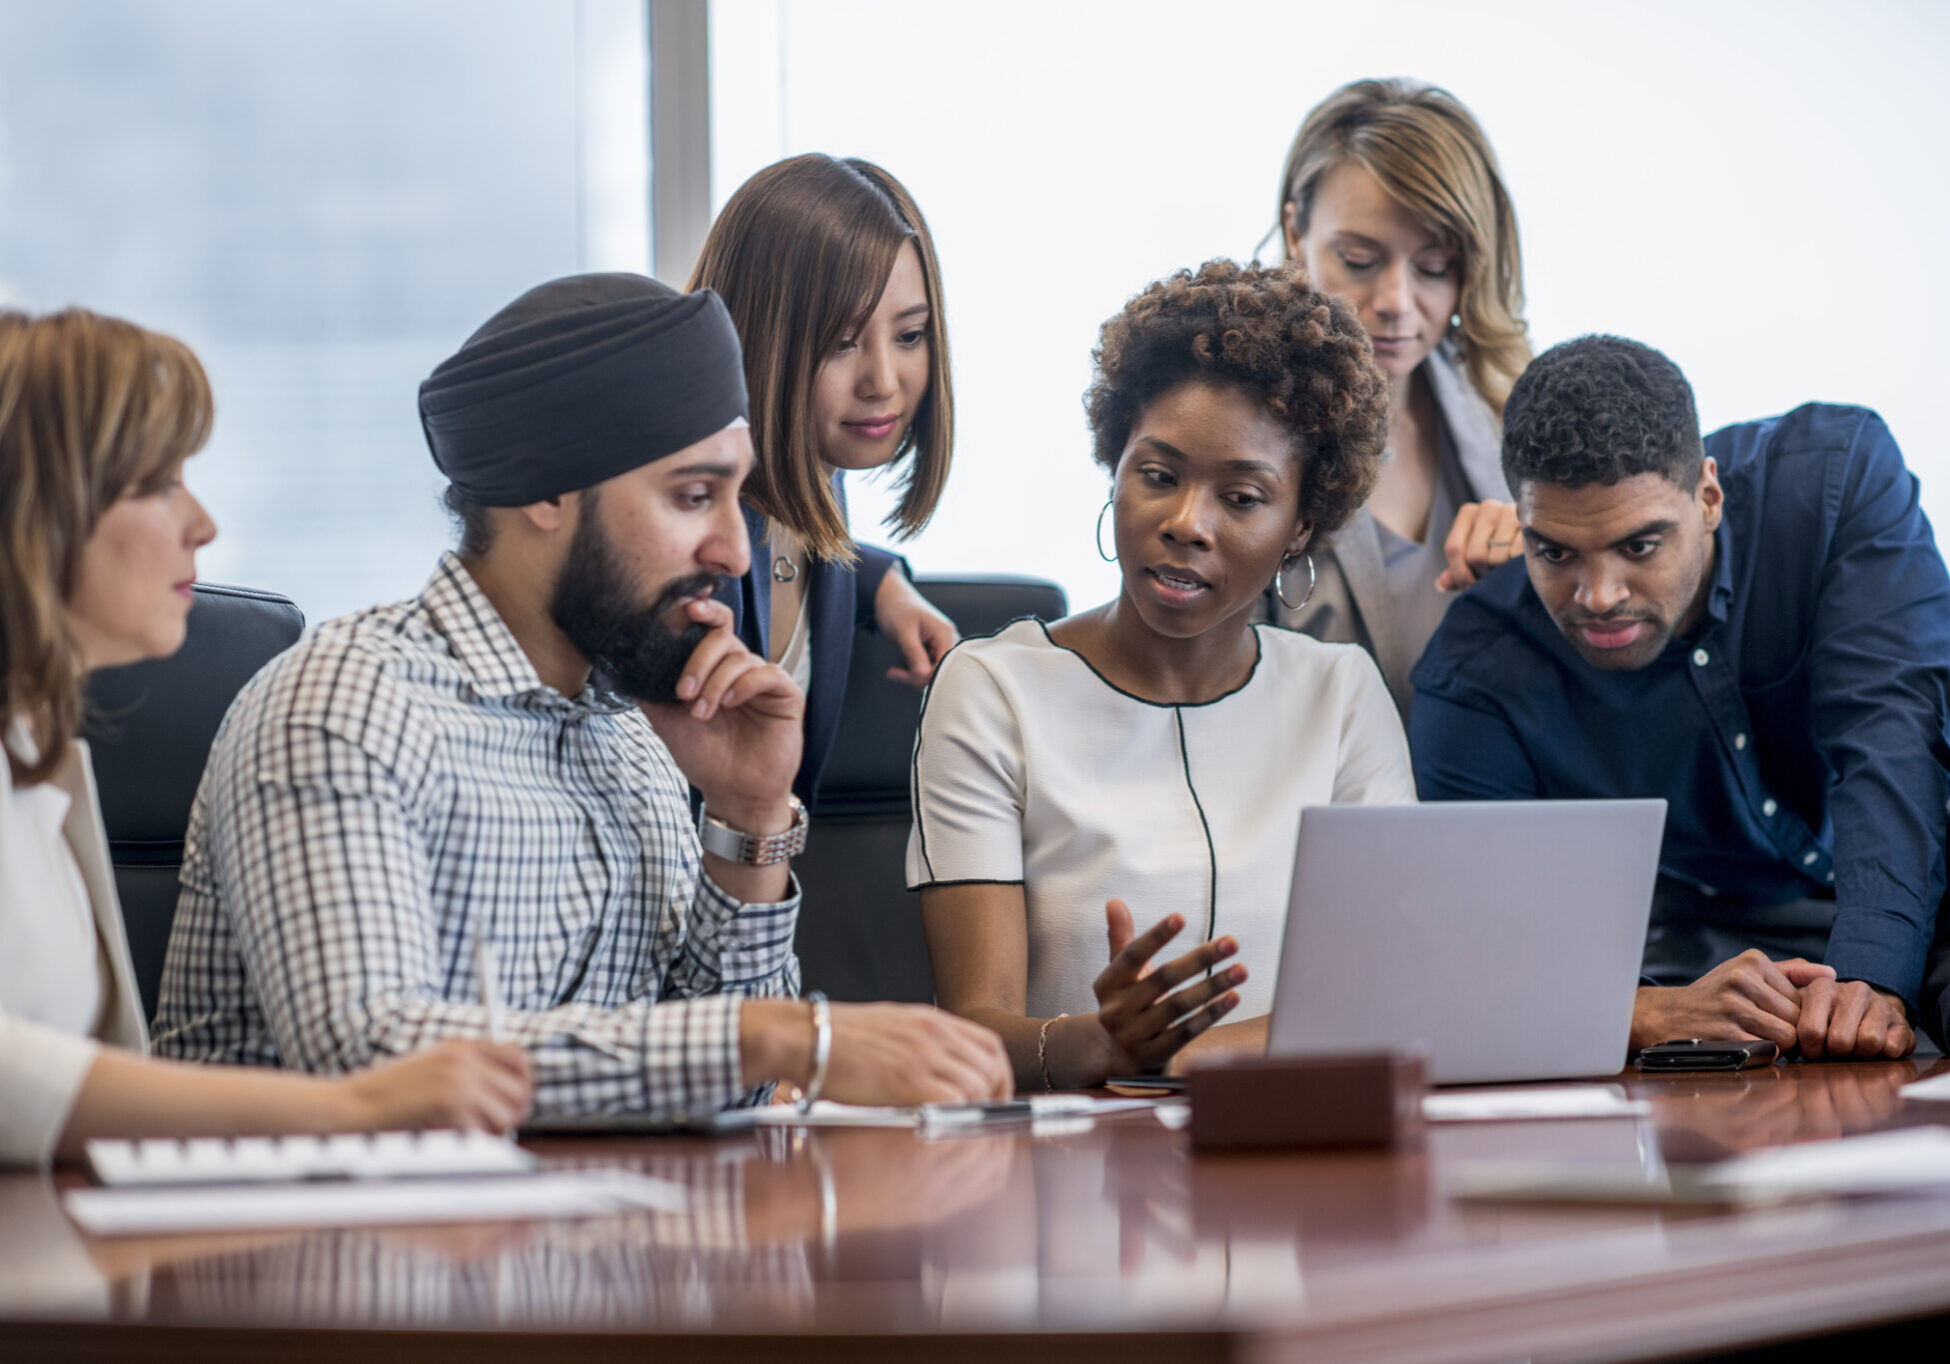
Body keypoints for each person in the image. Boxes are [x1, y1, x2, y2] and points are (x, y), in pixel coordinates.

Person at [151, 274, 1012, 1114]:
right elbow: (372, 1054)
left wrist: (749, 819)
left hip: (575, 1245)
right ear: (545, 493)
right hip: (321, 1253)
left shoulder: (635, 738)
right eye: (692, 496)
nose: (734, 552)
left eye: (733, 497)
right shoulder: (345, 707)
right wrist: (775, 1037)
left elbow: (737, 1091)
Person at [0, 307, 533, 1166]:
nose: (201, 523)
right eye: (156, 482)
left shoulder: (34, 752)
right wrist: (354, 1106)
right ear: (34, 509)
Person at [911, 261, 1416, 1091]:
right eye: (1159, 476)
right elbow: (972, 1031)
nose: (1186, 524)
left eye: (1243, 497)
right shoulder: (992, 690)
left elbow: (1392, 996)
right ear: (1116, 468)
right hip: (1070, 1181)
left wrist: (1204, 1052)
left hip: (1297, 1169)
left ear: (1302, 526)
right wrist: (1097, 1043)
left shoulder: (1342, 695)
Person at [1410, 335, 1950, 1060]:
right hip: (1694, 943)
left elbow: (1892, 736)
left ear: (1709, 495)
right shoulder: (1476, 670)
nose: (1598, 598)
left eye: (1639, 547)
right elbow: (1490, 930)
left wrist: (1868, 971)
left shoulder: (1835, 484)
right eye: (1555, 553)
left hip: (1920, 886)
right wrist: (1632, 1007)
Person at [688, 154, 960, 803]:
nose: (884, 382)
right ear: (760, 337)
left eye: (910, 335)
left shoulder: (814, 472)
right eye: (841, 342)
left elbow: (787, 529)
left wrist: (878, 579)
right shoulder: (689, 550)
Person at [1267, 78, 1533, 714]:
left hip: (1489, 808)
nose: (1396, 302)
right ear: (1296, 234)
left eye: (1434, 267)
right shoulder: (1239, 426)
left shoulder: (1504, 410)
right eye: (1359, 259)